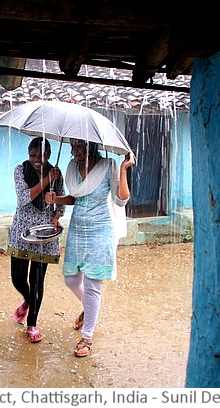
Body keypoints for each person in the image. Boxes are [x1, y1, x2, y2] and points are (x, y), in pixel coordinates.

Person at [45, 139, 135, 357]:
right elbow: (75, 199)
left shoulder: (109, 166)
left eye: (78, 147)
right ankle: (89, 309)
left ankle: (86, 338)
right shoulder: (72, 168)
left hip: (101, 229)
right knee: (71, 280)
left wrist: (123, 169)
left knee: (94, 284)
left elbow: (121, 199)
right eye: (72, 147)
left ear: (91, 147)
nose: (73, 151)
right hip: (78, 228)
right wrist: (57, 198)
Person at [8, 137, 65, 343]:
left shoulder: (57, 174)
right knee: (18, 278)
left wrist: (56, 215)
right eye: (32, 155)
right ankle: (27, 300)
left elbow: (61, 203)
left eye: (41, 156)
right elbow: (24, 197)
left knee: (38, 281)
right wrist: (47, 180)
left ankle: (32, 324)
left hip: (45, 235)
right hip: (22, 233)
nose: (36, 160)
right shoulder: (20, 170)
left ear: (48, 155)